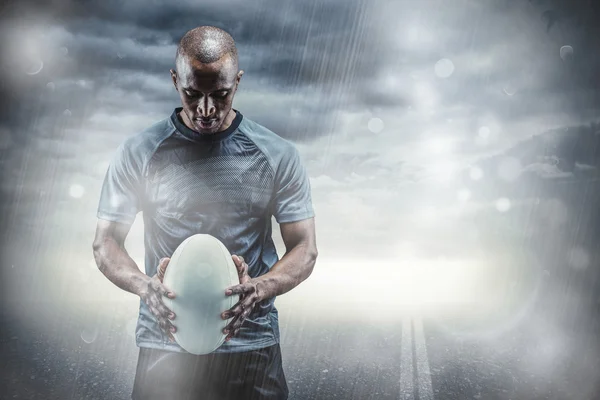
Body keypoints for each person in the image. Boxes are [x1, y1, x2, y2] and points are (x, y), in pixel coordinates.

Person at [92, 26, 318, 400]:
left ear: (238, 82)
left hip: (251, 348)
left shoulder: (277, 155)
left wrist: (259, 289)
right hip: (166, 347)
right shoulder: (138, 153)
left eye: (221, 94)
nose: (207, 109)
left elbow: (305, 248)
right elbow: (105, 244)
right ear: (174, 80)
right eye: (192, 94)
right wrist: (143, 285)